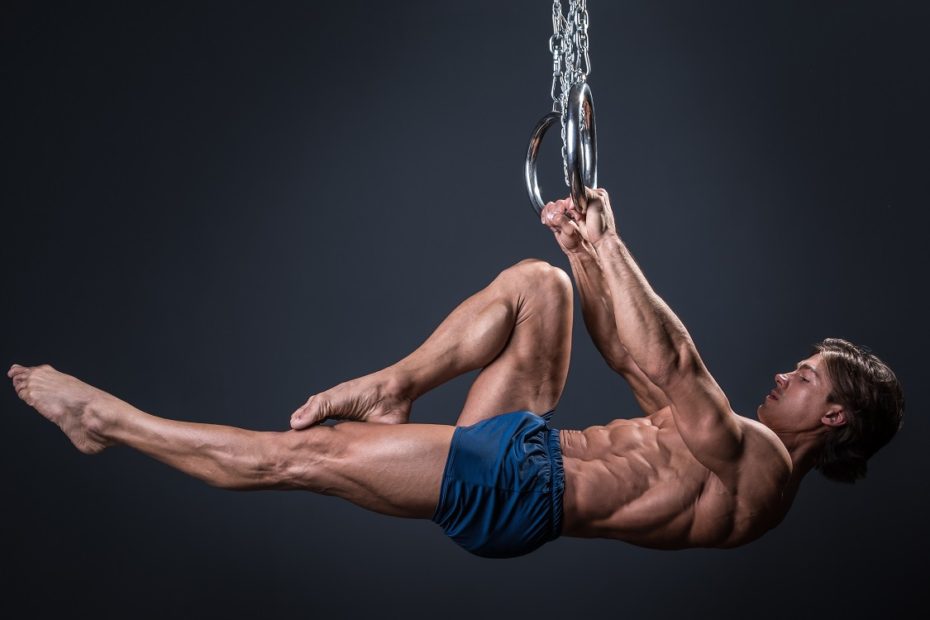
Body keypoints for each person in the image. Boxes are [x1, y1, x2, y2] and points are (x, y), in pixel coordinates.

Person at [8, 187, 904, 558]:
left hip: (517, 495)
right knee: (540, 287)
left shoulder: (759, 471)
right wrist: (584, 256)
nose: (788, 374)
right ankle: (400, 384)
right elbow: (634, 358)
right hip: (527, 448)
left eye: (808, 378)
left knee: (299, 460)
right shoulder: (734, 446)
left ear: (833, 421)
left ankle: (106, 421)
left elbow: (673, 359)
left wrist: (615, 241)